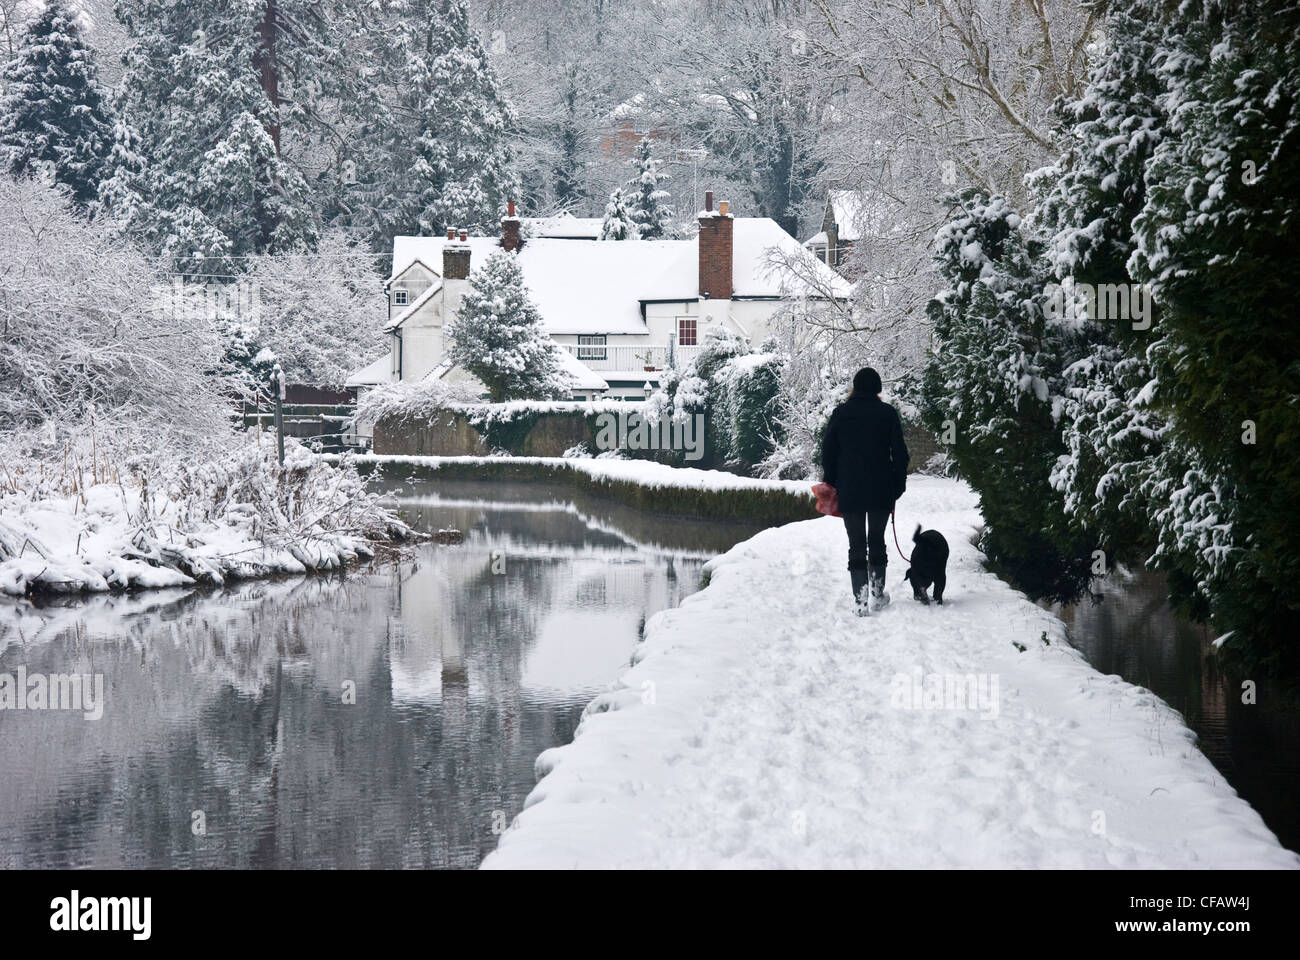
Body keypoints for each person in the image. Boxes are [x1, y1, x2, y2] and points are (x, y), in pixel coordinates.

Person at [820, 367, 909, 614]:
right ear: (878, 388)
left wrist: (832, 481)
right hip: (881, 488)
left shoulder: (841, 413)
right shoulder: (887, 413)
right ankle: (878, 594)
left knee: (856, 544)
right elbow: (900, 454)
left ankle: (860, 603)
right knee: (877, 541)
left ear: (855, 387)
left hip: (850, 488)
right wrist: (898, 484)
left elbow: (828, 452)